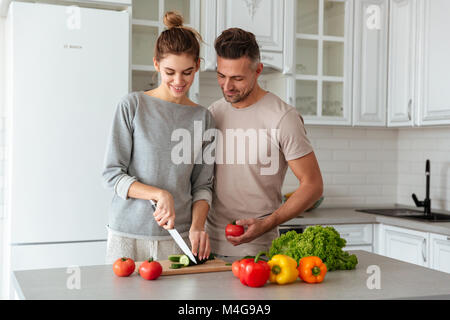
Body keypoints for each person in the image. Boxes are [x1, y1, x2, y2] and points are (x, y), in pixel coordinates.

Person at [102, 12, 214, 264]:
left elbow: (203, 186)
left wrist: (198, 226)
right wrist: (159, 194)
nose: (178, 81)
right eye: (170, 72)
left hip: (178, 238)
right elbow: (112, 174)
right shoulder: (132, 105)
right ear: (156, 64)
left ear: (197, 65)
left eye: (187, 72)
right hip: (127, 235)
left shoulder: (203, 118)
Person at [205, 28, 324, 257]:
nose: (227, 86)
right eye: (221, 75)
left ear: (258, 70)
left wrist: (269, 222)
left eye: (237, 78)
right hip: (208, 249)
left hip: (257, 252)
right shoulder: (214, 112)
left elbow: (313, 185)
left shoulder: (283, 117)